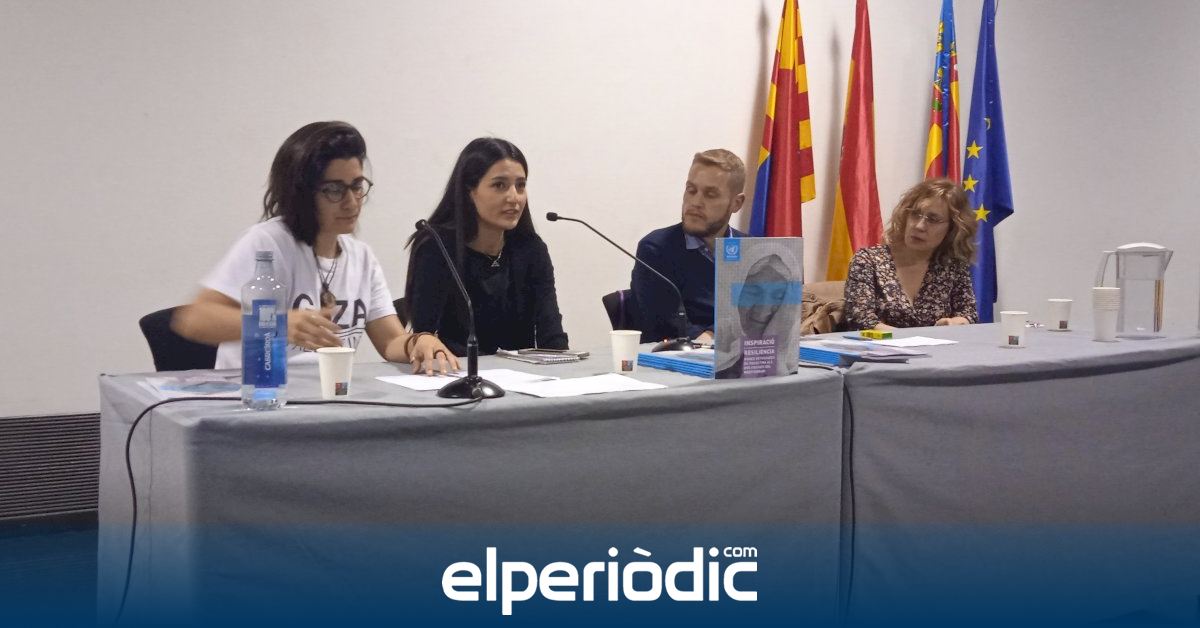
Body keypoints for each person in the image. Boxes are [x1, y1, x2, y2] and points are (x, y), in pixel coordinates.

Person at [173, 121, 457, 374]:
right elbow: (194, 319)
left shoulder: (361, 257)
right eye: (334, 190)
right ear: (301, 193)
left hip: (326, 396)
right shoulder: (268, 243)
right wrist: (279, 324)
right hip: (258, 395)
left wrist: (418, 342)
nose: (351, 202)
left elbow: (390, 341)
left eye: (357, 186)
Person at [404, 138, 568, 356]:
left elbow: (552, 333)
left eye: (520, 185)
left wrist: (563, 367)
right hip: (457, 372)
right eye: (500, 185)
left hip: (522, 374)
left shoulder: (530, 249)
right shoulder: (437, 247)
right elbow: (425, 336)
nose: (514, 197)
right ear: (469, 191)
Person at [632, 149, 746, 344]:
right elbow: (667, 327)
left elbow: (763, 317)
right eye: (691, 190)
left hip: (747, 356)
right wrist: (716, 335)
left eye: (710, 194)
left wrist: (713, 333)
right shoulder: (656, 249)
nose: (695, 202)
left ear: (736, 203)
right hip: (680, 358)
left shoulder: (752, 250)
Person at [842, 178, 979, 330]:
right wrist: (911, 339)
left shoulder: (952, 266)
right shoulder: (868, 261)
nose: (919, 226)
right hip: (880, 344)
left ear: (952, 228)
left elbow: (968, 314)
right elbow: (860, 320)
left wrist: (956, 322)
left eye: (933, 220)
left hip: (936, 345)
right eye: (915, 214)